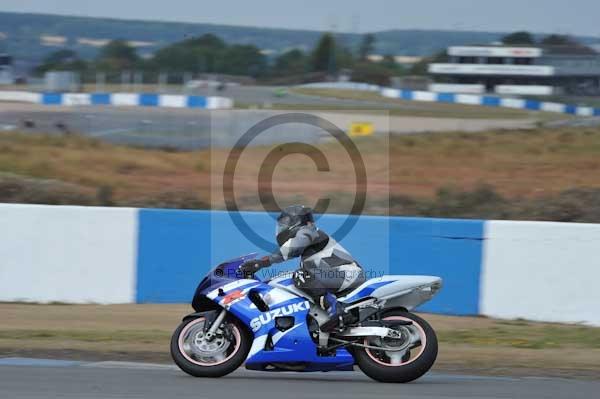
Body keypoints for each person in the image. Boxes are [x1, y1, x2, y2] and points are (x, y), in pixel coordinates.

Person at [239, 205, 365, 330]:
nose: (282, 229)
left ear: (299, 222)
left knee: (300, 276)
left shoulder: (309, 231)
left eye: (285, 224)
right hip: (341, 274)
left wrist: (262, 262)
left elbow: (293, 248)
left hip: (346, 273)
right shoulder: (310, 254)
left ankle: (336, 309)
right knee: (294, 278)